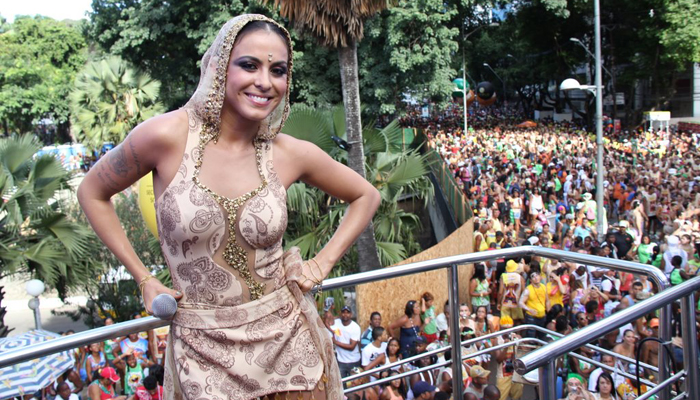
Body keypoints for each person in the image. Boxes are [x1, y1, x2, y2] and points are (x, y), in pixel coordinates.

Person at [78, 14, 381, 400]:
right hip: (203, 354)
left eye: (278, 70)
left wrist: (322, 264)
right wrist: (144, 279)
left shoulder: (287, 153)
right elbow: (92, 192)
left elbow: (365, 195)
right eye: (249, 65)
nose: (264, 82)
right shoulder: (165, 137)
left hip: (290, 348)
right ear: (220, 65)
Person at [332, 305, 362, 378]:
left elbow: (352, 347)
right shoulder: (336, 322)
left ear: (351, 314)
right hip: (341, 361)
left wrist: (335, 342)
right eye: (343, 312)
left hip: (354, 361)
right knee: (342, 384)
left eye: (347, 313)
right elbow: (326, 322)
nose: (345, 314)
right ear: (340, 314)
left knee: (355, 382)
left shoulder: (355, 327)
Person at [519, 271, 549, 339]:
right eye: (533, 276)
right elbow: (520, 302)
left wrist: (548, 310)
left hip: (542, 315)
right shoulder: (528, 289)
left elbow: (547, 300)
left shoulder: (544, 287)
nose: (536, 278)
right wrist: (529, 309)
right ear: (530, 280)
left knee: (542, 336)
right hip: (531, 316)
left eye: (537, 275)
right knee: (531, 336)